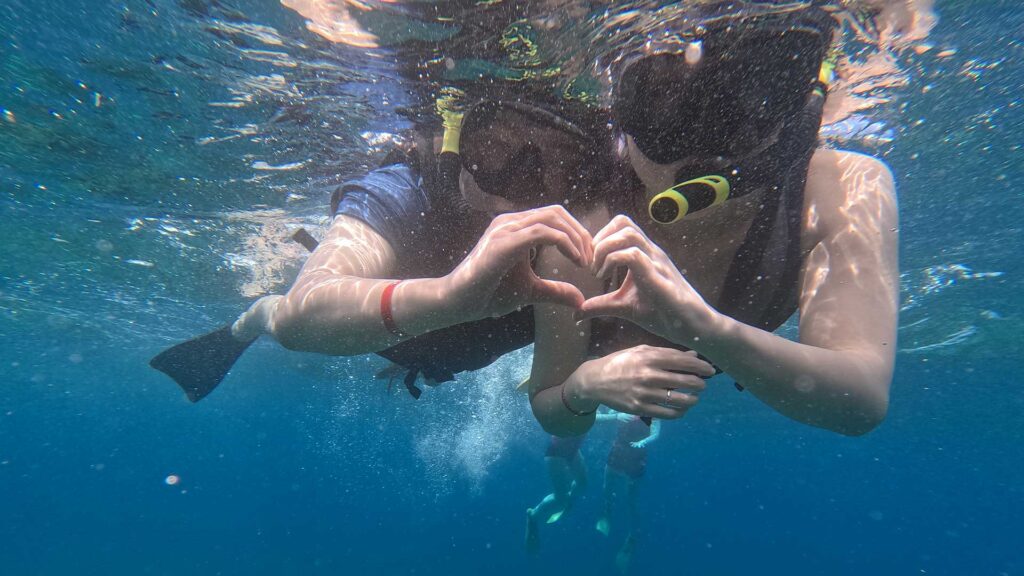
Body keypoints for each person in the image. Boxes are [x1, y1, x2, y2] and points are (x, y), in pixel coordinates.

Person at [152, 3, 898, 442]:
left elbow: (858, 397)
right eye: (498, 153)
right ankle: (238, 328)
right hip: (432, 328)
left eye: (550, 162)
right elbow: (309, 313)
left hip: (508, 323)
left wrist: (684, 339)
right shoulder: (416, 191)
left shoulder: (837, 188)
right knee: (305, 320)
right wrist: (448, 300)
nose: (523, 189)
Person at [527, 4, 899, 438]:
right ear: (623, 123)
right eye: (660, 99)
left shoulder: (846, 186)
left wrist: (703, 327)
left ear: (790, 113)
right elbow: (551, 404)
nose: (701, 140)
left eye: (752, 94)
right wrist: (584, 386)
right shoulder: (578, 241)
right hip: (607, 363)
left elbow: (862, 400)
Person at [594, 409, 660, 574]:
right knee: (607, 487)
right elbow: (595, 417)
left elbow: (656, 432)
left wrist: (645, 440)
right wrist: (616, 416)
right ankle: (607, 513)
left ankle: (632, 538)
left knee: (631, 500)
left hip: (636, 459)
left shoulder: (653, 411)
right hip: (618, 452)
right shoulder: (621, 405)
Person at [524, 433, 588, 554]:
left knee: (582, 483)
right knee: (560, 498)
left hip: (573, 451)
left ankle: (568, 501)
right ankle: (532, 515)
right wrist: (615, 417)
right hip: (556, 453)